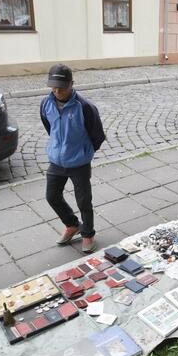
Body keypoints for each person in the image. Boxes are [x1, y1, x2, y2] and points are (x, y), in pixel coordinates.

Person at [41, 64, 106, 253]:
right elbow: (49, 127)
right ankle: (72, 224)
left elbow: (97, 136)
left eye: (61, 86)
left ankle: (88, 234)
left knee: (84, 201)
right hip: (56, 161)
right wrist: (58, 147)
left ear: (71, 84)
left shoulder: (85, 107)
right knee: (52, 196)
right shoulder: (46, 103)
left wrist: (83, 152)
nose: (57, 90)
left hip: (79, 163)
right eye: (53, 86)